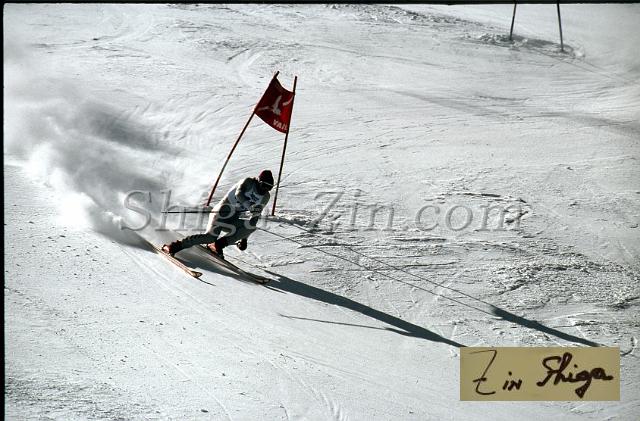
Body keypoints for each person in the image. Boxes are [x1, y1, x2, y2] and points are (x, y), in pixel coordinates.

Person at [162, 170, 274, 258]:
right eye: (264, 185)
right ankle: (174, 246)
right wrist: (249, 206)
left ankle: (217, 245)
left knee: (251, 227)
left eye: (269, 187)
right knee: (210, 237)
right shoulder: (249, 182)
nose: (265, 189)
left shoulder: (265, 197)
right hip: (222, 211)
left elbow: (254, 218)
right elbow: (239, 194)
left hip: (233, 218)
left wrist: (244, 238)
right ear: (258, 181)